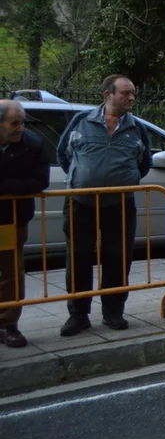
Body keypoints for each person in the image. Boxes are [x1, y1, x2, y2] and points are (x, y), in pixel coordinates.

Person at [55, 76, 151, 336]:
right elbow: (64, 154)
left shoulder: (136, 127)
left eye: (133, 93)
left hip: (120, 203)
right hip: (81, 202)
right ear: (108, 94)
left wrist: (125, 179)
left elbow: (144, 163)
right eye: (126, 93)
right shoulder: (81, 121)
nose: (131, 97)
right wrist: (82, 178)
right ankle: (78, 314)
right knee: (78, 257)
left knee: (118, 257)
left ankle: (113, 312)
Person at [0, 101, 50, 347]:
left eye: (22, 122)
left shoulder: (32, 144)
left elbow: (40, 180)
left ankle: (7, 323)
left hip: (10, 220)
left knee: (11, 271)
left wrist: (5, 187)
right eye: (14, 123)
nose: (20, 128)